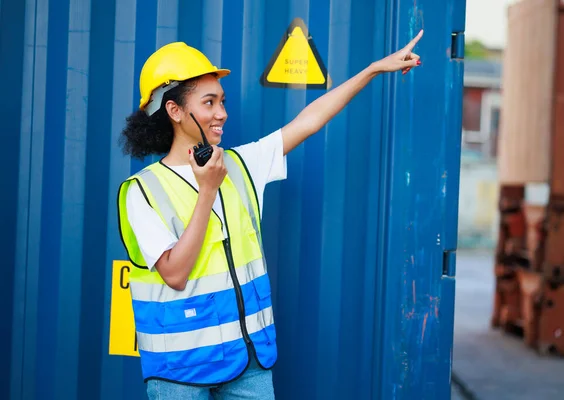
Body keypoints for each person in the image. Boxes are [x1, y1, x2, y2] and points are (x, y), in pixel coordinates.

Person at [117, 29, 423, 400]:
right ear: (175, 110)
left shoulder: (242, 164)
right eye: (209, 103)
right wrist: (208, 190)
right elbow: (176, 274)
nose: (222, 114)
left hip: (248, 363)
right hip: (179, 371)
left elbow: (309, 121)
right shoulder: (142, 191)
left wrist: (373, 70)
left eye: (222, 102)